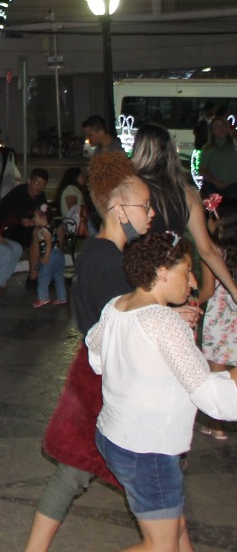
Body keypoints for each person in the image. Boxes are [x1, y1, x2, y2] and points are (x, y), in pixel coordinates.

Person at [23, 151, 159, 552]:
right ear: (119, 209)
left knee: (72, 473)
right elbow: (125, 331)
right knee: (159, 495)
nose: (151, 213)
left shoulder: (100, 253)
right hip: (108, 385)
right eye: (145, 205)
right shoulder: (110, 262)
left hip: (94, 380)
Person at [88, 232, 237, 552]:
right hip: (147, 451)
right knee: (161, 546)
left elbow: (95, 352)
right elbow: (212, 398)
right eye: (188, 270)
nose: (194, 282)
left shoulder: (116, 306)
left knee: (175, 527)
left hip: (115, 437)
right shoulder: (165, 323)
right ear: (162, 272)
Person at [132, 122, 237, 302]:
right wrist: (233, 289)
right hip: (173, 278)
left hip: (137, 276)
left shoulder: (132, 189)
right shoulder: (187, 193)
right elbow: (206, 249)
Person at [199, 201, 237, 439]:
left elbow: (207, 290)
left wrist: (190, 302)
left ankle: (218, 425)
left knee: (217, 374)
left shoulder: (212, 251)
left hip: (219, 319)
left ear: (217, 222)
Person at [0, 168, 55, 285]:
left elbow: (46, 215)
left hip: (20, 228)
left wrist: (45, 222)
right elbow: (26, 222)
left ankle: (46, 272)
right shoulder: (20, 194)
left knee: (53, 232)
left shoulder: (40, 195)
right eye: (36, 183)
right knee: (37, 233)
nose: (39, 187)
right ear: (29, 181)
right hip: (5, 229)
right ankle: (33, 278)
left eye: (42, 185)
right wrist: (43, 223)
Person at [199, 115, 237, 202]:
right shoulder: (207, 148)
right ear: (212, 131)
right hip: (214, 187)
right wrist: (216, 182)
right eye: (217, 126)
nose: (221, 128)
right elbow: (202, 169)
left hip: (234, 187)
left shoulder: (234, 145)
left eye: (223, 125)